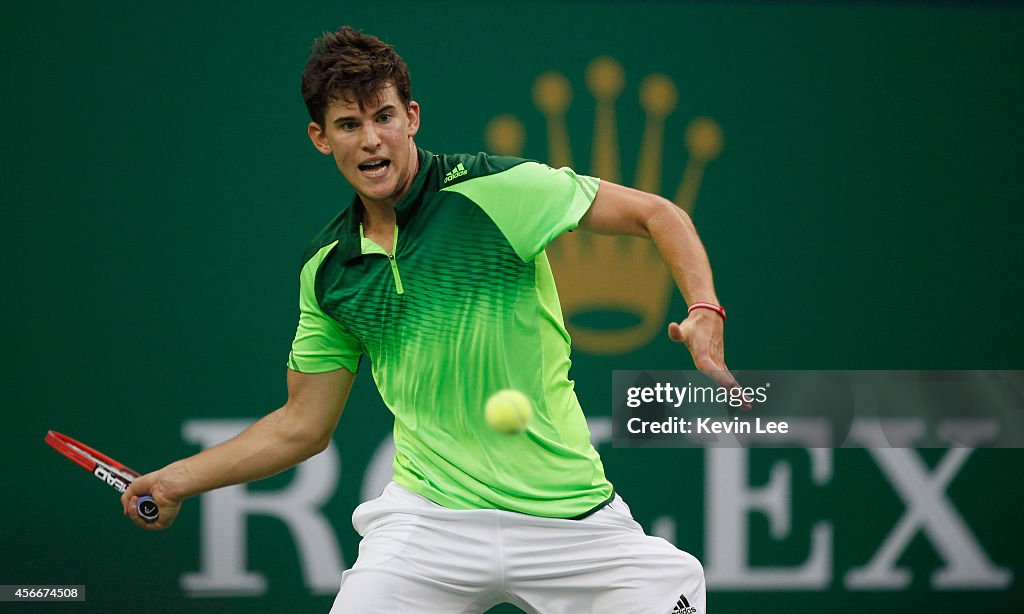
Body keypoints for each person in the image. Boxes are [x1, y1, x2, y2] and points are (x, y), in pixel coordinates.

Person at [123, 25, 740, 614]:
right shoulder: (330, 271)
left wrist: (704, 308)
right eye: (348, 124)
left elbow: (657, 214)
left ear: (411, 118)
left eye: (383, 117)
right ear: (320, 137)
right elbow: (302, 426)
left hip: (568, 518)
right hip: (429, 526)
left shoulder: (495, 191)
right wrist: (176, 480)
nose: (370, 140)